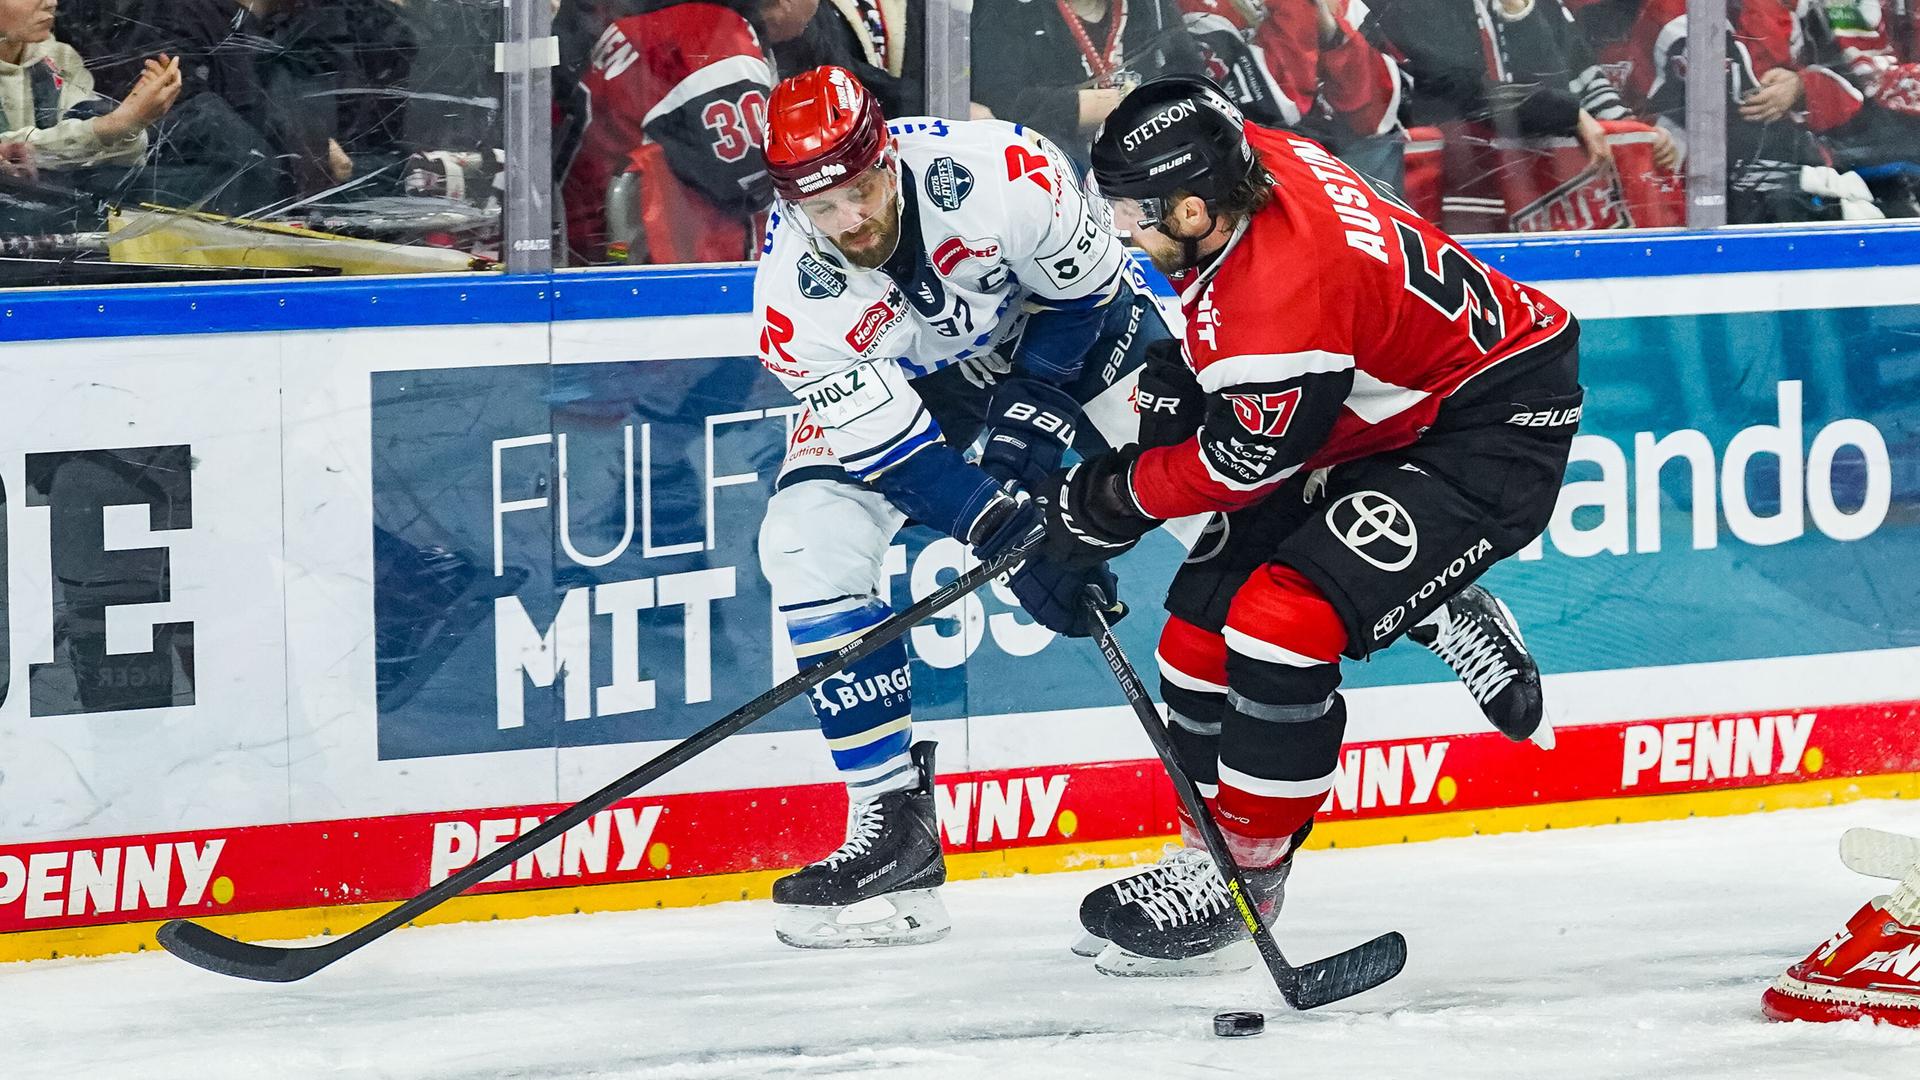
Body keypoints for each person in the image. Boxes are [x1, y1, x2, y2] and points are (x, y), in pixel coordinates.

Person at [1037, 75, 1583, 975]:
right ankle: (1206, 858)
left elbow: (1236, 465)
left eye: (1137, 213)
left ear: (1193, 208)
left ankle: (1249, 876)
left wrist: (1112, 498)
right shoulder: (1248, 162)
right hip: (1381, 397)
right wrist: (1185, 374)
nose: (1125, 231)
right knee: (1195, 640)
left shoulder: (1280, 300)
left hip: (1493, 420)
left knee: (1280, 623)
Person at [751, 63, 1173, 948]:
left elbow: (1086, 295)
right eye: (823, 207)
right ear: (791, 204)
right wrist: (1018, 541)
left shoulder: (1001, 171)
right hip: (919, 384)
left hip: (1058, 335)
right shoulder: (793, 299)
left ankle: (1425, 600)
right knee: (804, 539)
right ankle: (892, 825)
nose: (851, 221)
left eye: (863, 191)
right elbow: (903, 460)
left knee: (1216, 492)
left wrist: (1030, 421)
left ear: (887, 159)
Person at [559, 0, 778, 264]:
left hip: (585, 248)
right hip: (650, 261)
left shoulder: (629, 27)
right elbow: (750, 180)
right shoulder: (705, 29)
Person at [0, 0, 178, 170]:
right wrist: (114, 125)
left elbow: (106, 160)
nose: (51, 3)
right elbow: (7, 150)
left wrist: (129, 122)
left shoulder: (59, 58)